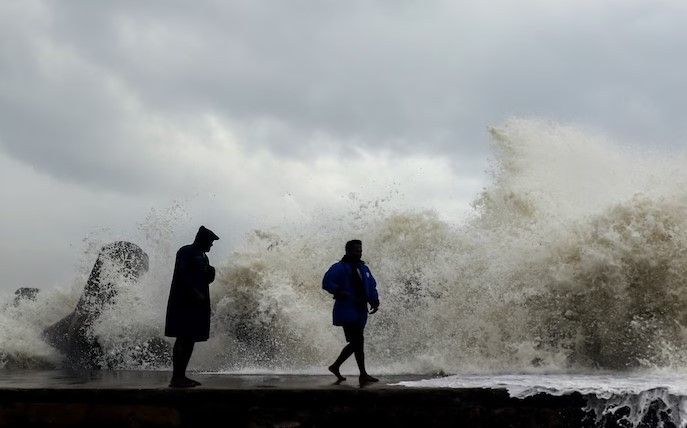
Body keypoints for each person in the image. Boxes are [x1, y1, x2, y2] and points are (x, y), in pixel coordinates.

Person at [165, 225, 219, 388]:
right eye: (210, 241)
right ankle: (177, 377)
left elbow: (207, 279)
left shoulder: (203, 256)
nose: (211, 245)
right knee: (183, 337)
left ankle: (181, 376)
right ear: (202, 239)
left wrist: (211, 271)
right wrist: (195, 292)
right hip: (183, 303)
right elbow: (182, 274)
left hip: (198, 304)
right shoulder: (186, 251)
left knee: (189, 339)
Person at [322, 239, 380, 384]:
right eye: (356, 251)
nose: (359, 253)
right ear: (348, 251)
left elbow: (372, 285)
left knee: (356, 342)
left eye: (360, 250)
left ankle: (335, 366)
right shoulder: (339, 267)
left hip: (360, 310)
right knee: (358, 340)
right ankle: (363, 374)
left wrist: (374, 300)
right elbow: (326, 282)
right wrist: (338, 291)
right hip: (346, 309)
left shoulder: (364, 269)